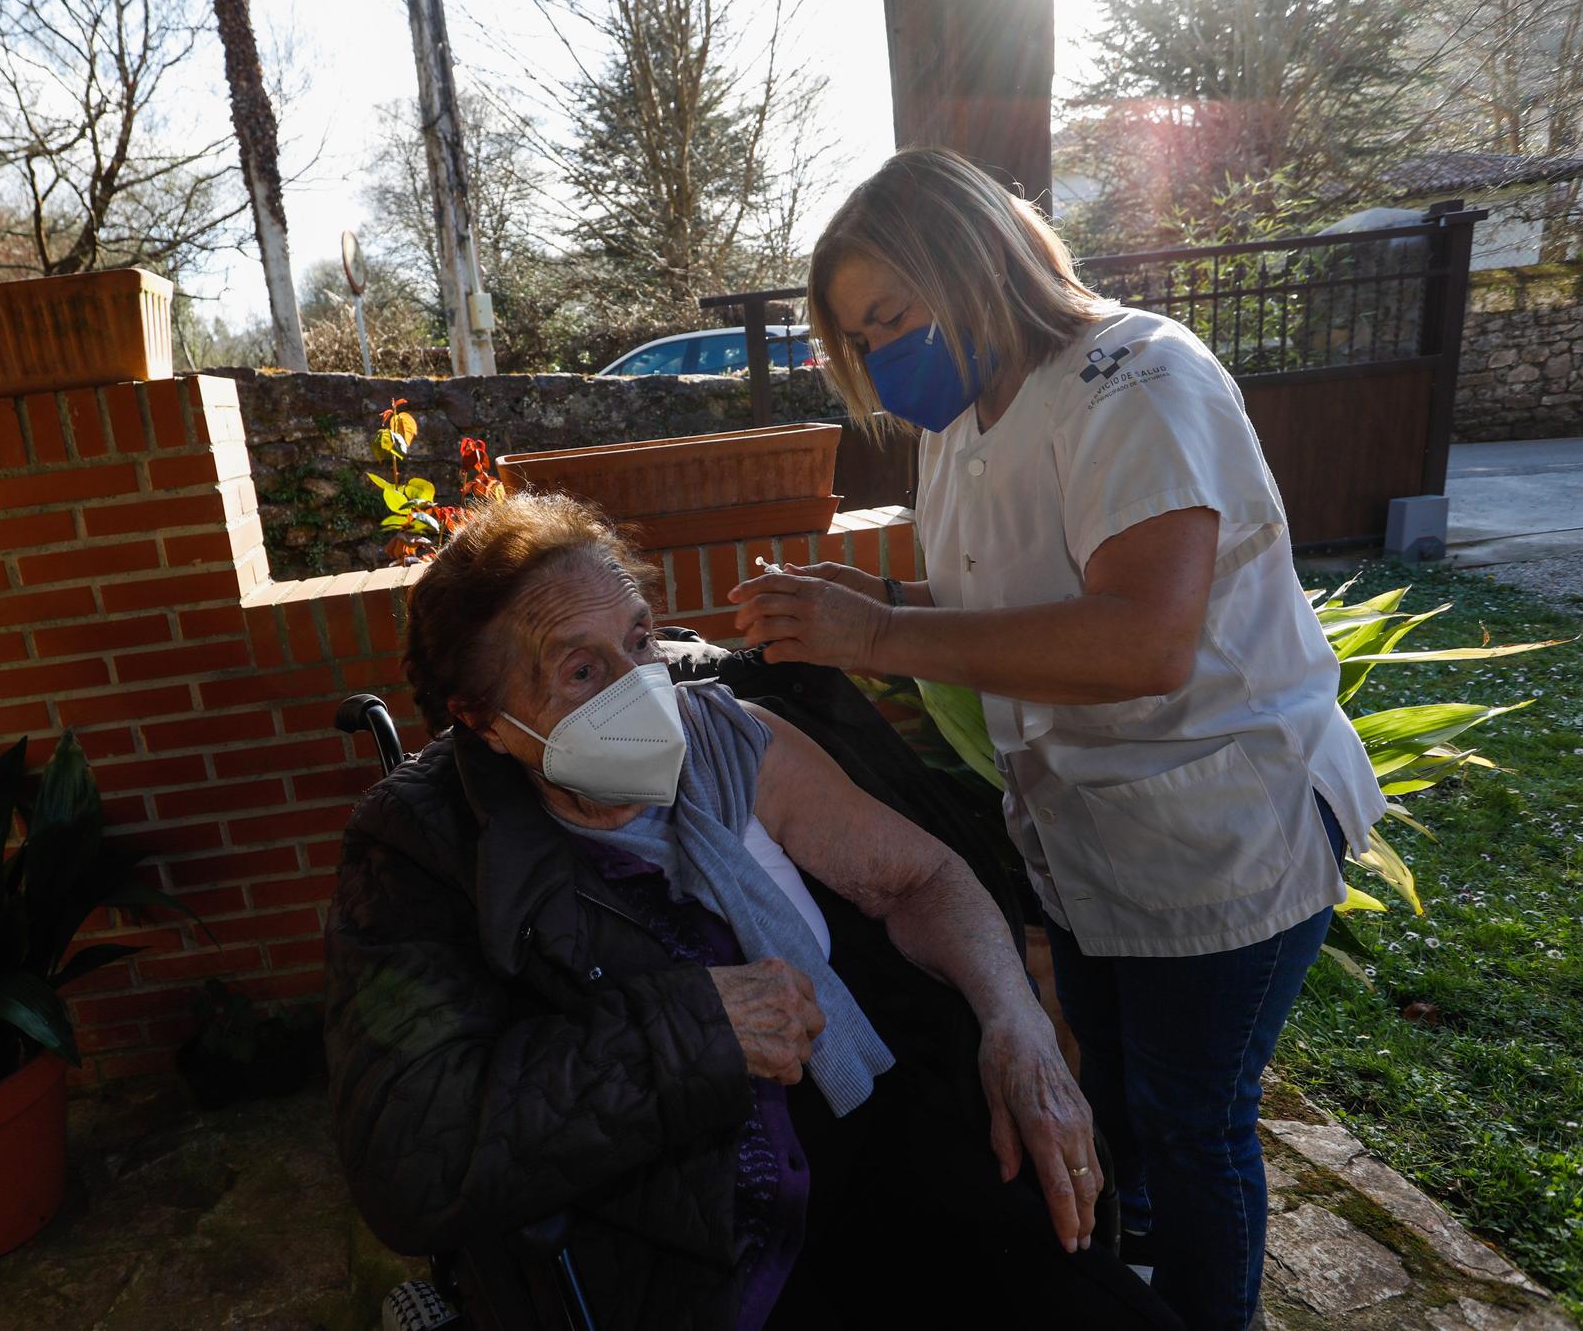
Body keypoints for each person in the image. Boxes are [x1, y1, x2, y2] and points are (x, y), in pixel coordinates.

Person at [728, 148, 1386, 1331]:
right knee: (1118, 1108)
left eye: (891, 317)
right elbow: (1013, 605)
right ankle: (1123, 1297)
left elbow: (1141, 639)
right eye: (857, 340)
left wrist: (877, 633)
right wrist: (871, 607)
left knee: (1195, 1125)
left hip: (1222, 833)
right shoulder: (966, 417)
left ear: (977, 261)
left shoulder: (1137, 379)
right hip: (1087, 843)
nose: (881, 358)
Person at [325, 492, 1179, 1330]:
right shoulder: (422, 851)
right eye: (582, 671)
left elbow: (921, 879)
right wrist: (694, 1032)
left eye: (638, 639)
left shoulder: (729, 740)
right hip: (695, 1230)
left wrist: (1012, 1019)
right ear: (486, 722)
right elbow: (413, 1149)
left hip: (878, 1132)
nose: (641, 688)